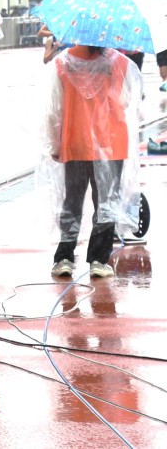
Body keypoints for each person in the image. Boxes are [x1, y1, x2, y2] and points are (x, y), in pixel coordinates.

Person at [42, 44, 141, 278]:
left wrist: (54, 143)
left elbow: (53, 109)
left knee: (72, 200)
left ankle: (64, 257)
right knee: (106, 201)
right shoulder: (123, 64)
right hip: (111, 143)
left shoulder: (63, 62)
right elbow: (129, 102)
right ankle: (99, 258)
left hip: (75, 140)